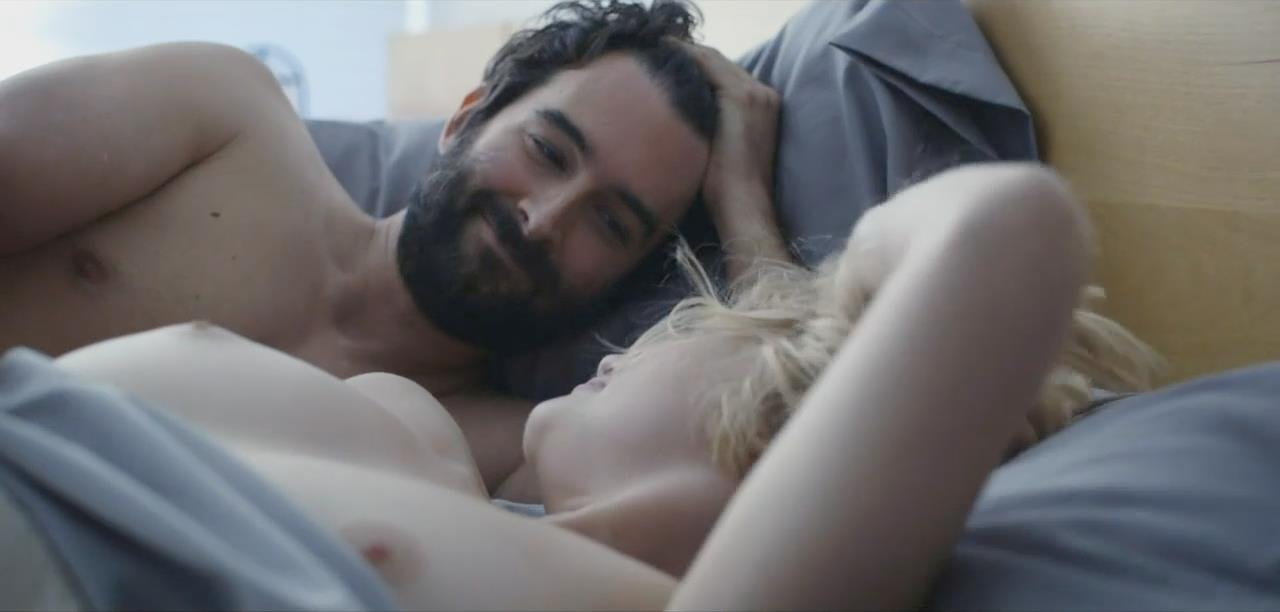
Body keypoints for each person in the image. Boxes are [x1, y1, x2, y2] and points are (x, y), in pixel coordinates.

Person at [34, 163, 1158, 609]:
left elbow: (1008, 229)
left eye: (695, 325)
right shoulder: (427, 441)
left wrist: (840, 300)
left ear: (784, 418)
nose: (627, 344)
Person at [0, 0, 785, 489]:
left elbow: (780, 469)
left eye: (610, 224)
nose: (544, 220)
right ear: (467, 117)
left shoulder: (503, 446)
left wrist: (745, 204)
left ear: (622, 281)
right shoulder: (223, 117)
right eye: (548, 151)